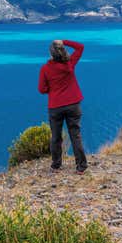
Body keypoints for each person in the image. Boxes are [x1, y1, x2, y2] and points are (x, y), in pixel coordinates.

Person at [37, 39, 88, 174]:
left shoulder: (45, 69)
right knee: (75, 135)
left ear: (51, 53)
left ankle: (56, 165)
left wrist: (53, 90)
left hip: (56, 107)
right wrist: (64, 41)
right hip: (73, 104)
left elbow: (42, 89)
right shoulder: (69, 64)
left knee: (56, 137)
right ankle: (81, 167)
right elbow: (80, 47)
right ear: (63, 51)